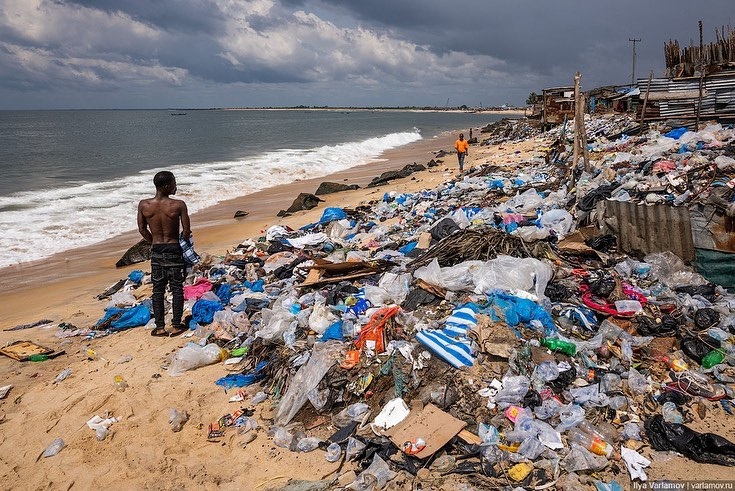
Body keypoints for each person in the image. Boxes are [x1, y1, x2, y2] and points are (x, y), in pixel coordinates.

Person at [137, 171, 191, 337]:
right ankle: (176, 326)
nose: (176, 186)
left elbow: (142, 229)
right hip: (174, 249)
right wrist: (184, 241)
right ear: (167, 186)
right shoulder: (178, 205)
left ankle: (160, 327)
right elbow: (186, 231)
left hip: (157, 251)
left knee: (158, 290)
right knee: (176, 289)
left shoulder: (144, 205)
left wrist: (153, 241)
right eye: (174, 183)